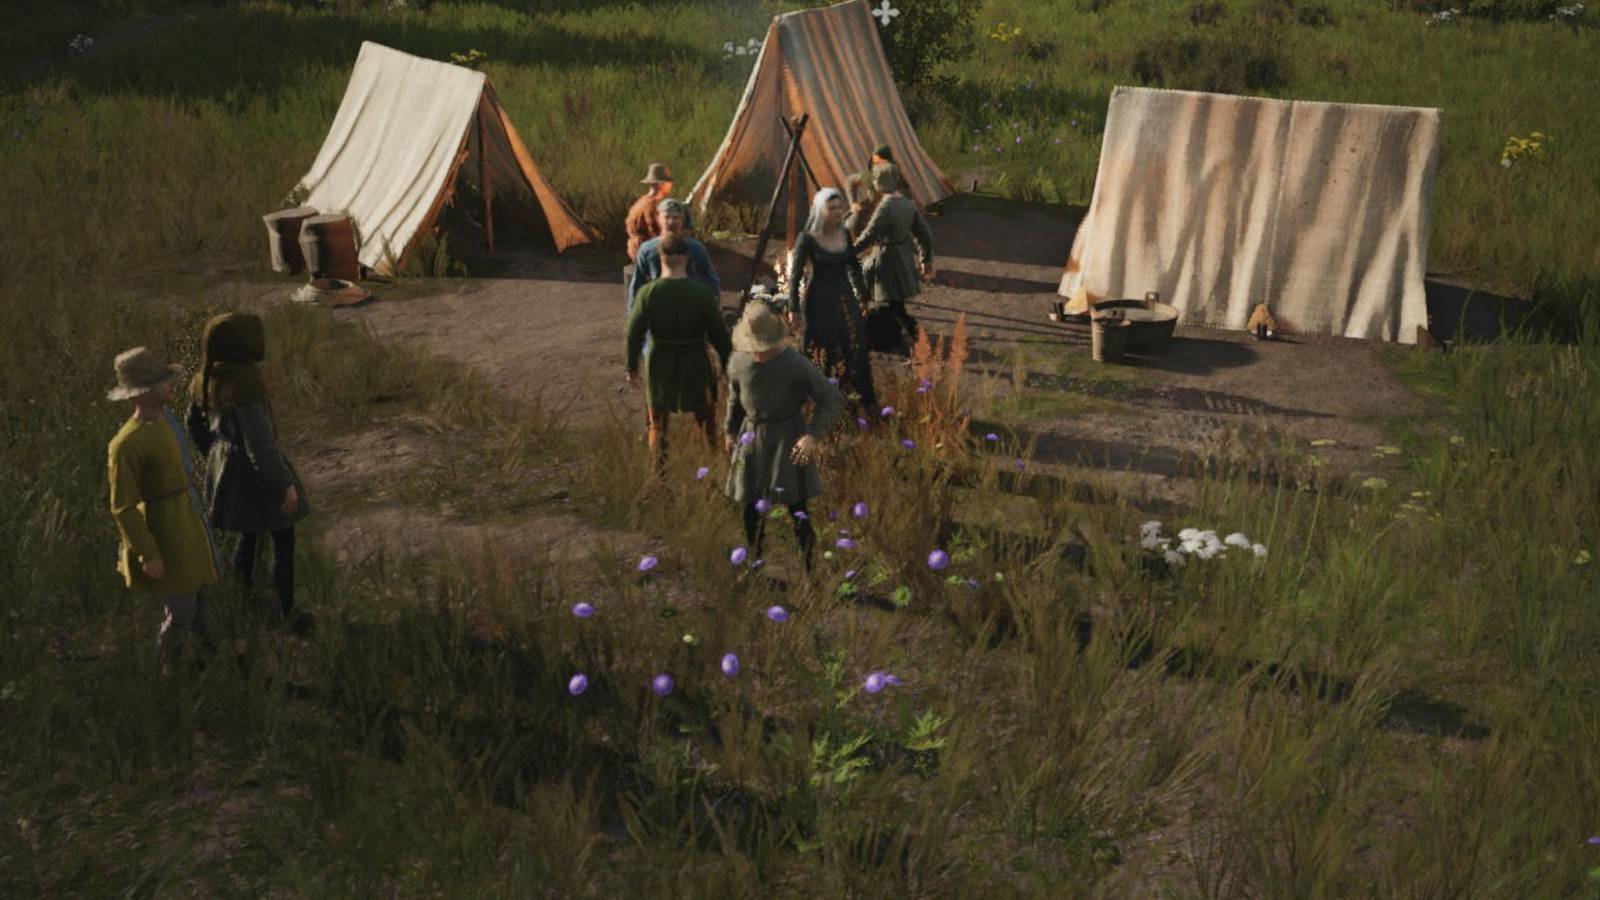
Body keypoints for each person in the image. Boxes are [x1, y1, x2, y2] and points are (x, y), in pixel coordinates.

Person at [184, 313, 313, 635]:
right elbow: (260, 445)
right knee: (283, 540)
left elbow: (194, 425)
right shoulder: (245, 384)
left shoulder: (204, 378)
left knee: (248, 537)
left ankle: (246, 604)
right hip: (255, 477)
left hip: (228, 468)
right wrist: (285, 484)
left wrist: (215, 454)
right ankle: (284, 611)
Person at [106, 346, 220, 660]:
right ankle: (169, 670)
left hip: (188, 522)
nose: (170, 385)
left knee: (201, 596)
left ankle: (206, 661)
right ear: (143, 392)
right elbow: (123, 507)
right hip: (165, 532)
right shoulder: (126, 444)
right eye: (162, 382)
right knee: (180, 610)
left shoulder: (165, 423)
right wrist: (149, 553)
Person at [723, 303, 844, 572]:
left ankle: (812, 571)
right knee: (751, 510)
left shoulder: (795, 364)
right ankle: (755, 567)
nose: (758, 353)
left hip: (788, 440)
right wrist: (730, 431)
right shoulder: (738, 362)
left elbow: (831, 398)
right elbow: (734, 400)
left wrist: (812, 436)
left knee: (797, 509)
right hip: (751, 440)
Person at [627, 233, 734, 467]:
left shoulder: (648, 294)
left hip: (659, 360)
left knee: (658, 422)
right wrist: (728, 364)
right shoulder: (701, 294)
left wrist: (631, 366)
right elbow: (719, 334)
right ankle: (711, 470)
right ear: (687, 257)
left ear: (660, 256)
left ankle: (658, 476)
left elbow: (634, 332)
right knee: (705, 419)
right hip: (694, 358)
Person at [785, 187, 878, 413]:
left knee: (854, 346)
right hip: (818, 300)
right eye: (831, 208)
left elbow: (854, 266)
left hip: (845, 298)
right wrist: (793, 308)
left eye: (839, 208)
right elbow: (795, 274)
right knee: (819, 349)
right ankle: (814, 404)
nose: (837, 212)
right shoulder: (807, 238)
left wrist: (863, 296)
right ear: (820, 210)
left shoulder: (845, 234)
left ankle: (856, 401)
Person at [853, 163, 935, 352]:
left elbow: (870, 235)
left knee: (890, 303)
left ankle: (915, 337)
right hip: (902, 256)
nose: (873, 183)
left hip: (886, 259)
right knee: (894, 302)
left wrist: (850, 251)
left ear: (882, 182)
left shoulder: (886, 207)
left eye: (875, 179)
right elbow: (925, 234)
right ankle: (896, 335)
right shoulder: (908, 204)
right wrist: (925, 258)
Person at [628, 198, 721, 360]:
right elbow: (636, 287)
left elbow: (711, 281)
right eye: (667, 217)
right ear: (658, 218)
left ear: (682, 220)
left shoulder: (695, 249)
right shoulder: (647, 250)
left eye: (676, 218)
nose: (671, 222)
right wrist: (635, 322)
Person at [625, 162, 675, 262]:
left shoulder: (641, 201)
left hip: (638, 251)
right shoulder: (651, 205)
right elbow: (655, 232)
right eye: (668, 183)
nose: (670, 186)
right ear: (661, 184)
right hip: (647, 253)